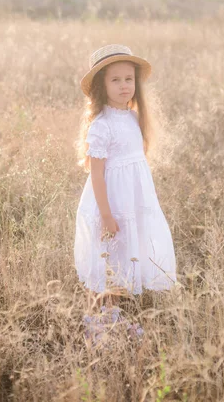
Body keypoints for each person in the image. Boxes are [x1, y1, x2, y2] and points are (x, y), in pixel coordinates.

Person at [74, 44, 177, 311]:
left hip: (132, 201)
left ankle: (117, 312)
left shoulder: (133, 118)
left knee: (127, 253)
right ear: (101, 86)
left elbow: (135, 165)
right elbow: (97, 175)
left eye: (129, 79)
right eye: (116, 80)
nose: (124, 86)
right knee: (109, 260)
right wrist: (107, 216)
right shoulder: (101, 125)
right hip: (111, 204)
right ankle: (100, 317)